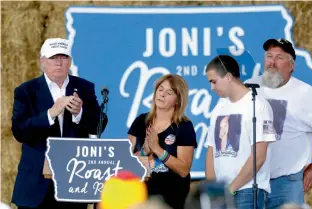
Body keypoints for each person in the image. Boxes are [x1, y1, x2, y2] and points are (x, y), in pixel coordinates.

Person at [11, 38, 105, 209]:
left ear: (70, 62)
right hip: (36, 185)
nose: (59, 63)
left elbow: (99, 125)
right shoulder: (26, 91)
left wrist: (80, 113)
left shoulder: (84, 87)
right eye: (53, 58)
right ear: (42, 61)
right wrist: (50, 113)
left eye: (64, 57)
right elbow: (19, 131)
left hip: (73, 182)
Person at [245, 38, 312, 208]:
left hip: (286, 184)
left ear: (292, 65)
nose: (272, 62)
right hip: (251, 182)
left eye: (279, 57)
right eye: (269, 56)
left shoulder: (307, 94)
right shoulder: (249, 87)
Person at [204, 55, 276, 209]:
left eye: (214, 81)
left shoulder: (259, 106)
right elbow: (211, 151)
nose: (212, 88)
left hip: (247, 192)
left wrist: (231, 189)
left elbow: (259, 155)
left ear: (229, 77)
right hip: (220, 195)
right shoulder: (219, 107)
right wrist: (213, 189)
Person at [127, 74, 197, 209]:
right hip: (141, 198)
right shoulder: (140, 121)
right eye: (160, 89)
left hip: (171, 199)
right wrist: (144, 151)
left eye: (169, 92)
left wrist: (157, 149)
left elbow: (183, 170)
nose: (162, 94)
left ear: (178, 100)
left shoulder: (184, 126)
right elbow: (126, 162)